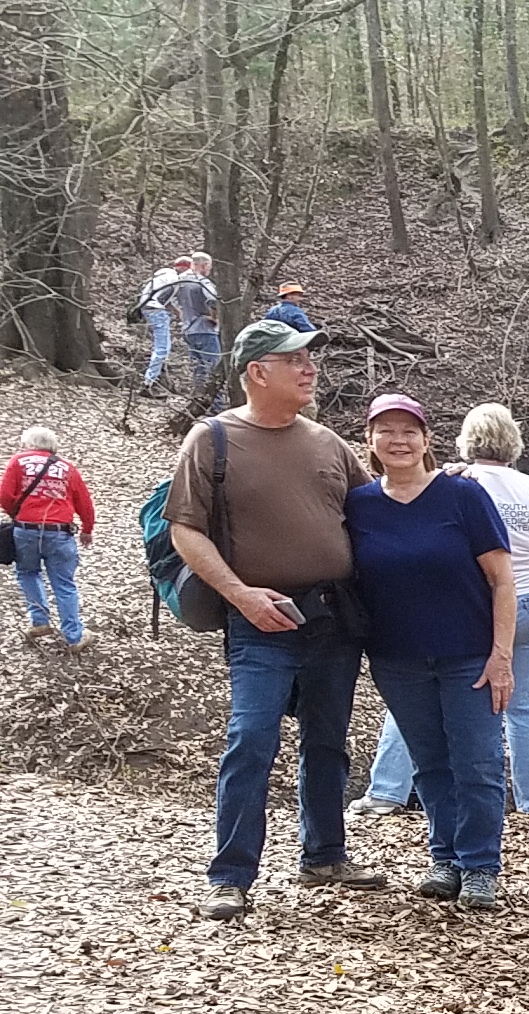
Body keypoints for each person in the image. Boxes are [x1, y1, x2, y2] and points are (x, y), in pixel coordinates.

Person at [167, 319, 387, 921]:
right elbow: (185, 528)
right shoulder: (210, 440)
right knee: (250, 741)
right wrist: (240, 595)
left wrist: (441, 488)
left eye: (310, 358)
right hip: (258, 621)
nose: (310, 368)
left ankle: (324, 855)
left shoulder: (328, 443)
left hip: (332, 619)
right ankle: (231, 876)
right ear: (257, 372)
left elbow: (377, 515)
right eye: (295, 360)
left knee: (328, 742)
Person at [354, 402, 529, 818]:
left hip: (470, 608)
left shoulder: (453, 484)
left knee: (419, 699)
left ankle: (386, 791)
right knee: (526, 706)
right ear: (514, 441)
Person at [344, 394, 517, 911]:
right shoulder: (359, 505)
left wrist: (501, 654)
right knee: (430, 762)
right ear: (371, 441)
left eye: (409, 431)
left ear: (426, 440)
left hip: (470, 654)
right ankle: (444, 858)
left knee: (480, 761)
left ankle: (481, 864)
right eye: (386, 431)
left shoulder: (462, 495)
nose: (399, 440)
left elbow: (502, 580)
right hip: (397, 658)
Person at [2, 427, 96, 649]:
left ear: (28, 444)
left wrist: (17, 513)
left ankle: (40, 620)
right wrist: (87, 529)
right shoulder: (67, 467)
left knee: (27, 572)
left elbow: (5, 495)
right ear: (53, 446)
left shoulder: (18, 462)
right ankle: (74, 636)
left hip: (25, 530)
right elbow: (84, 502)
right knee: (64, 583)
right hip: (59, 532)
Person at [134, 258, 192, 392]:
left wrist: (180, 315)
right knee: (162, 349)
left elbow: (164, 299)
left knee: (163, 347)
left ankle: (156, 378)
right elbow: (161, 300)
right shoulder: (174, 279)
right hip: (156, 311)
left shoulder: (162, 275)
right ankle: (149, 382)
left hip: (148, 308)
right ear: (183, 268)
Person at [169, 252, 221, 393]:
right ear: (203, 265)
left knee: (198, 368)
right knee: (213, 368)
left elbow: (168, 299)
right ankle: (215, 404)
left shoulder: (178, 281)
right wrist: (214, 318)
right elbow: (213, 301)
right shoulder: (202, 282)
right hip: (205, 329)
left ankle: (199, 398)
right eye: (209, 266)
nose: (209, 270)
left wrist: (181, 314)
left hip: (188, 329)